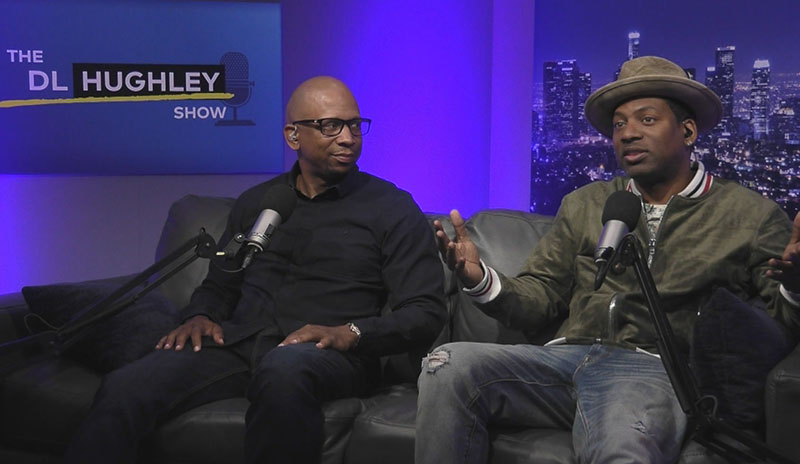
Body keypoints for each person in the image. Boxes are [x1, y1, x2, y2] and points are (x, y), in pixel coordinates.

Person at [415, 56, 800, 463]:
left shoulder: (749, 215)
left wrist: (794, 287)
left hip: (653, 370)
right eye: (619, 125)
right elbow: (540, 294)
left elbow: (777, 325)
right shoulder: (585, 203)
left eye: (647, 120)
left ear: (688, 131)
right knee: (448, 364)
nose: (628, 133)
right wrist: (478, 278)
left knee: (623, 447)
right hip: (564, 357)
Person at [64, 76, 446, 463]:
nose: (348, 138)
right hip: (240, 344)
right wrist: (200, 315)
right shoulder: (260, 203)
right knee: (128, 385)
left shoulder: (392, 208)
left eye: (354, 125)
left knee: (283, 372)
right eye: (331, 126)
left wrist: (351, 332)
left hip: (327, 353)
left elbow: (425, 311)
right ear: (293, 136)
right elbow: (220, 285)